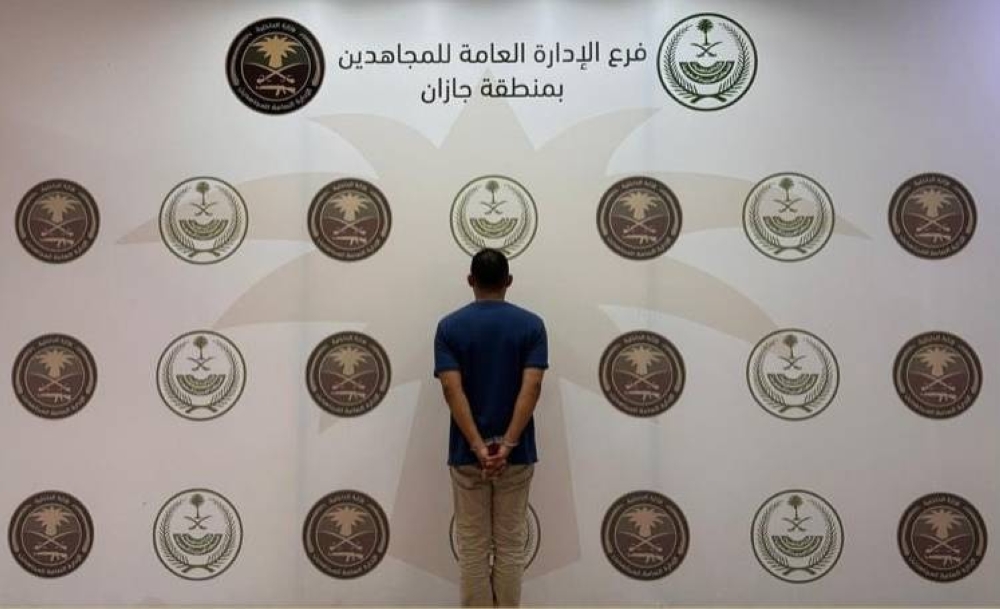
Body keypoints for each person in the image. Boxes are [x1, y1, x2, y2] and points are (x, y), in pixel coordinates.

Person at [434, 248, 548, 608]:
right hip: (516, 455)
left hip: (467, 455)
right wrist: (508, 444)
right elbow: (532, 387)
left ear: (470, 280)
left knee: (472, 548)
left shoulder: (448, 328)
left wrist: (478, 446)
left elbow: (451, 389)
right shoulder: (532, 326)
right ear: (508, 281)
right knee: (511, 546)